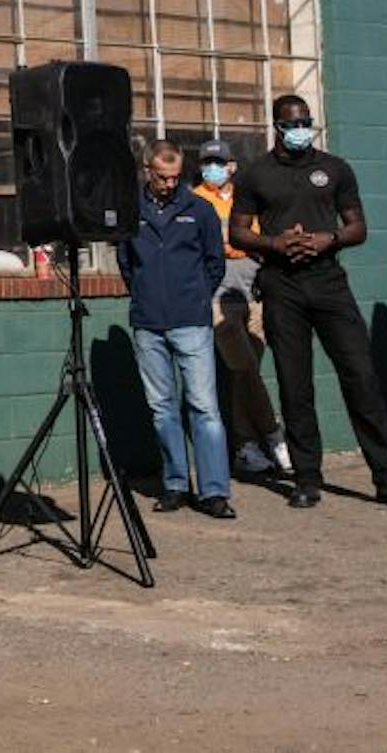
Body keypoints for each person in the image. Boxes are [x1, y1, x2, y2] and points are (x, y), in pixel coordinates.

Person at [230, 95, 387, 510]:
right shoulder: (255, 174)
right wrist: (275, 243)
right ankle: (306, 479)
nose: (301, 129)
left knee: (361, 378)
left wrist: (327, 239)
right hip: (282, 285)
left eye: (306, 122)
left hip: (330, 283)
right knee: (295, 385)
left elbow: (358, 227)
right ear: (276, 126)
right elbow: (238, 233)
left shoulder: (335, 168)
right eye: (292, 123)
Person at [120, 142, 233, 518]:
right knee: (162, 408)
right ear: (146, 171)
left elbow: (215, 262)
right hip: (148, 323)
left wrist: (198, 297)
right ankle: (175, 485)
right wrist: (142, 294)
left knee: (204, 406)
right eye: (162, 177)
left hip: (191, 321)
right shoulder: (130, 212)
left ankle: (214, 491)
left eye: (175, 176)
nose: (170, 184)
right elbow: (126, 263)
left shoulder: (198, 210)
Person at [192, 140, 290, 476]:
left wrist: (245, 245)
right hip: (218, 296)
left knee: (243, 374)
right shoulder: (195, 200)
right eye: (207, 162)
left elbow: (257, 240)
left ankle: (246, 447)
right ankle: (275, 434)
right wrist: (240, 244)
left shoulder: (245, 198)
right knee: (244, 365)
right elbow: (224, 244)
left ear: (232, 165)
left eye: (219, 161)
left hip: (253, 292)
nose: (213, 168)